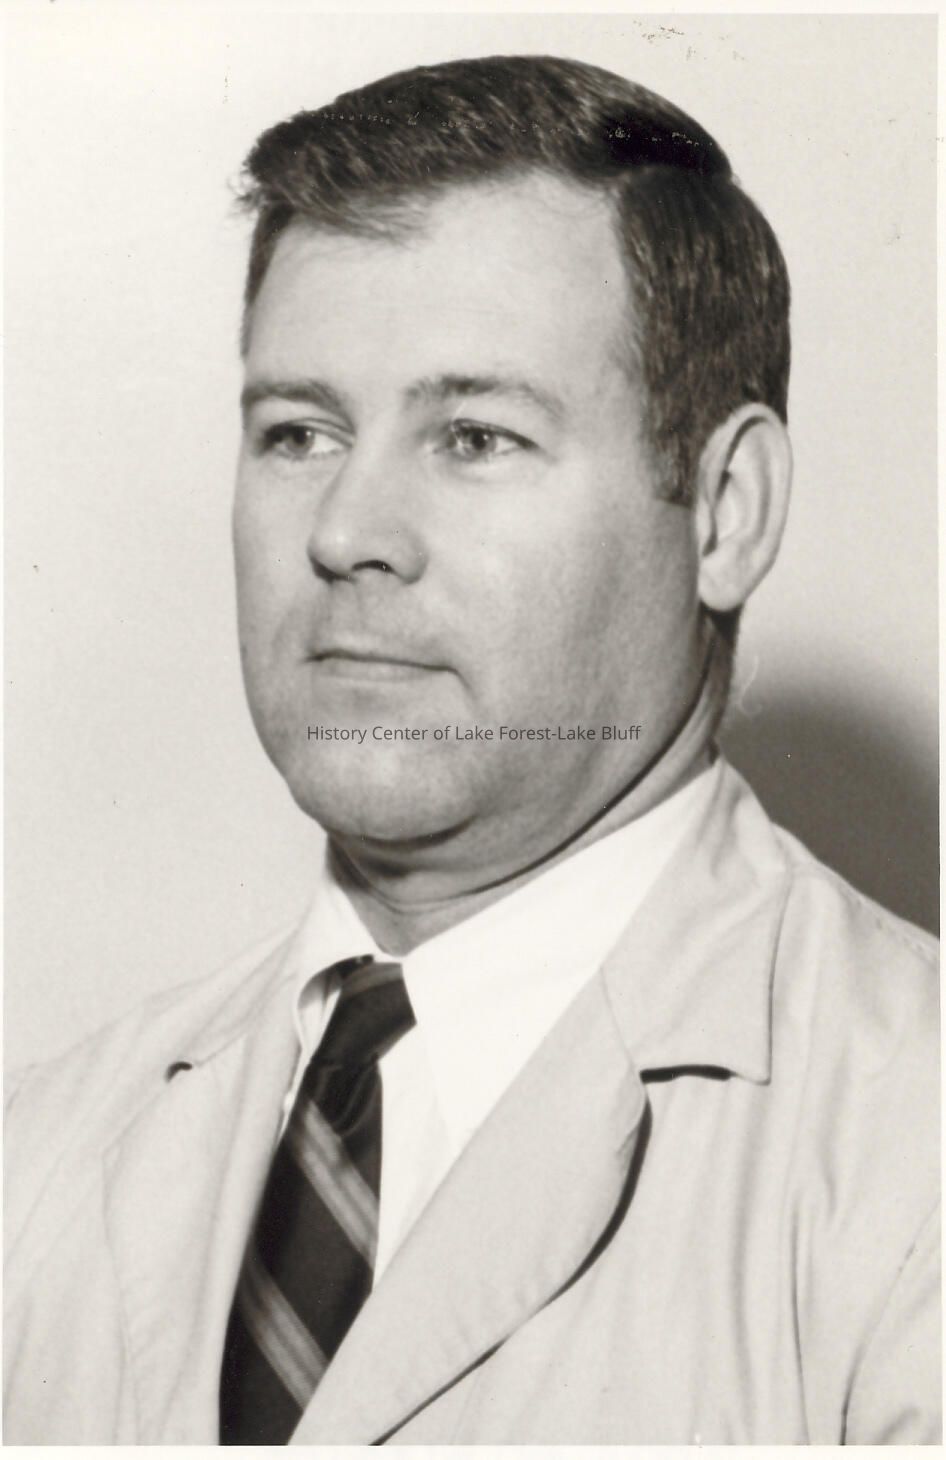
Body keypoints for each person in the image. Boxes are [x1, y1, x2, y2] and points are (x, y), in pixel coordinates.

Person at [4, 54, 939, 1446]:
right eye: (298, 432)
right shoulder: (38, 1155)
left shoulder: (910, 1161)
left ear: (725, 512)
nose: (345, 532)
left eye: (475, 437)